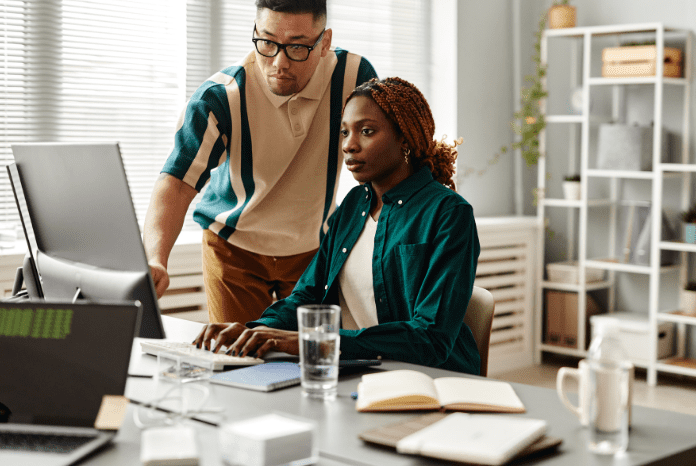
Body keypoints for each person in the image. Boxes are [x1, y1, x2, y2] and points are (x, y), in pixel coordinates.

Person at [194, 77, 481, 375]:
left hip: (429, 379)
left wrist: (315, 341)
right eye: (345, 132)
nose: (349, 145)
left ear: (405, 139)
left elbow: (430, 339)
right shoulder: (355, 204)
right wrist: (254, 331)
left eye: (366, 132)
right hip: (357, 371)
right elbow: (308, 296)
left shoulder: (449, 213)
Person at [143, 0, 377, 324]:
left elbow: (382, 158)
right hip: (233, 250)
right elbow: (176, 183)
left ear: (325, 41)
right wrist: (155, 258)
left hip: (313, 250)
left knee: (307, 359)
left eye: (298, 47)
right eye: (266, 43)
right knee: (238, 361)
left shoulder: (353, 75)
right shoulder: (220, 96)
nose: (279, 63)